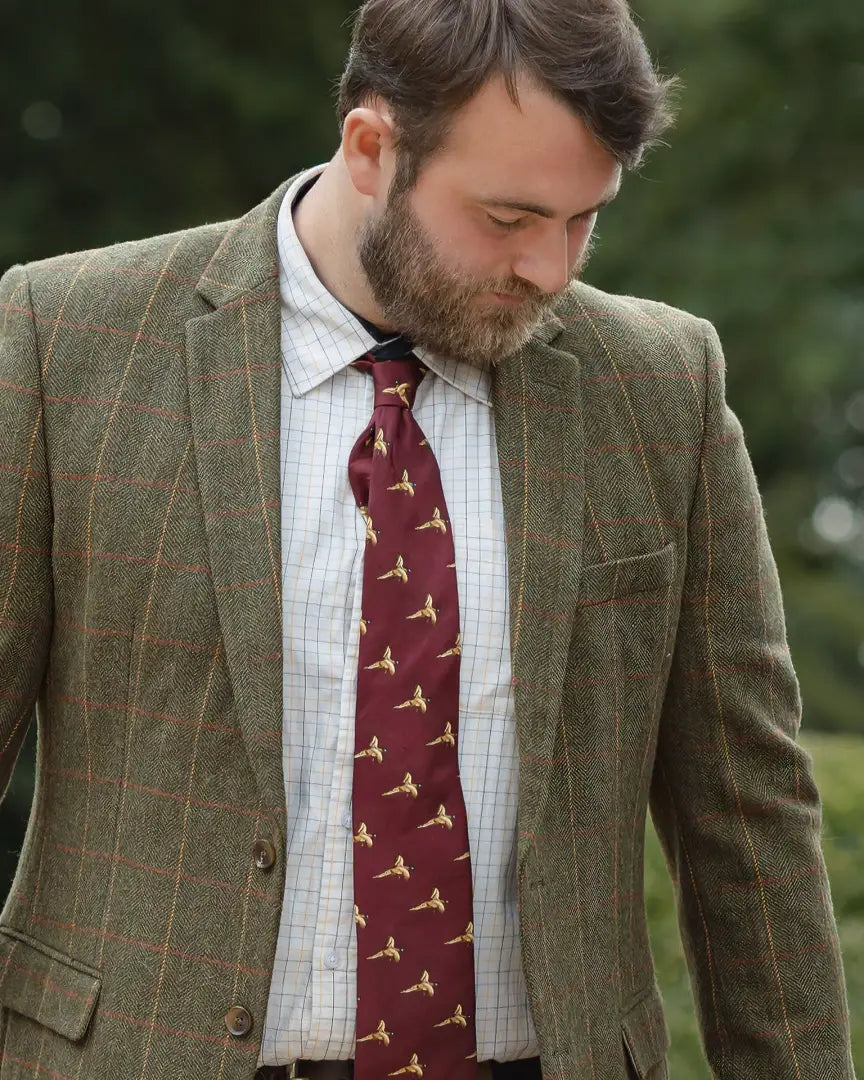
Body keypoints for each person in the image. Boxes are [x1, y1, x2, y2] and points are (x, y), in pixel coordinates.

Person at [0, 0, 855, 1077]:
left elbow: (750, 819)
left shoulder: (660, 387)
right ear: (372, 148)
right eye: (507, 219)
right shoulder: (65, 342)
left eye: (582, 219)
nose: (549, 268)